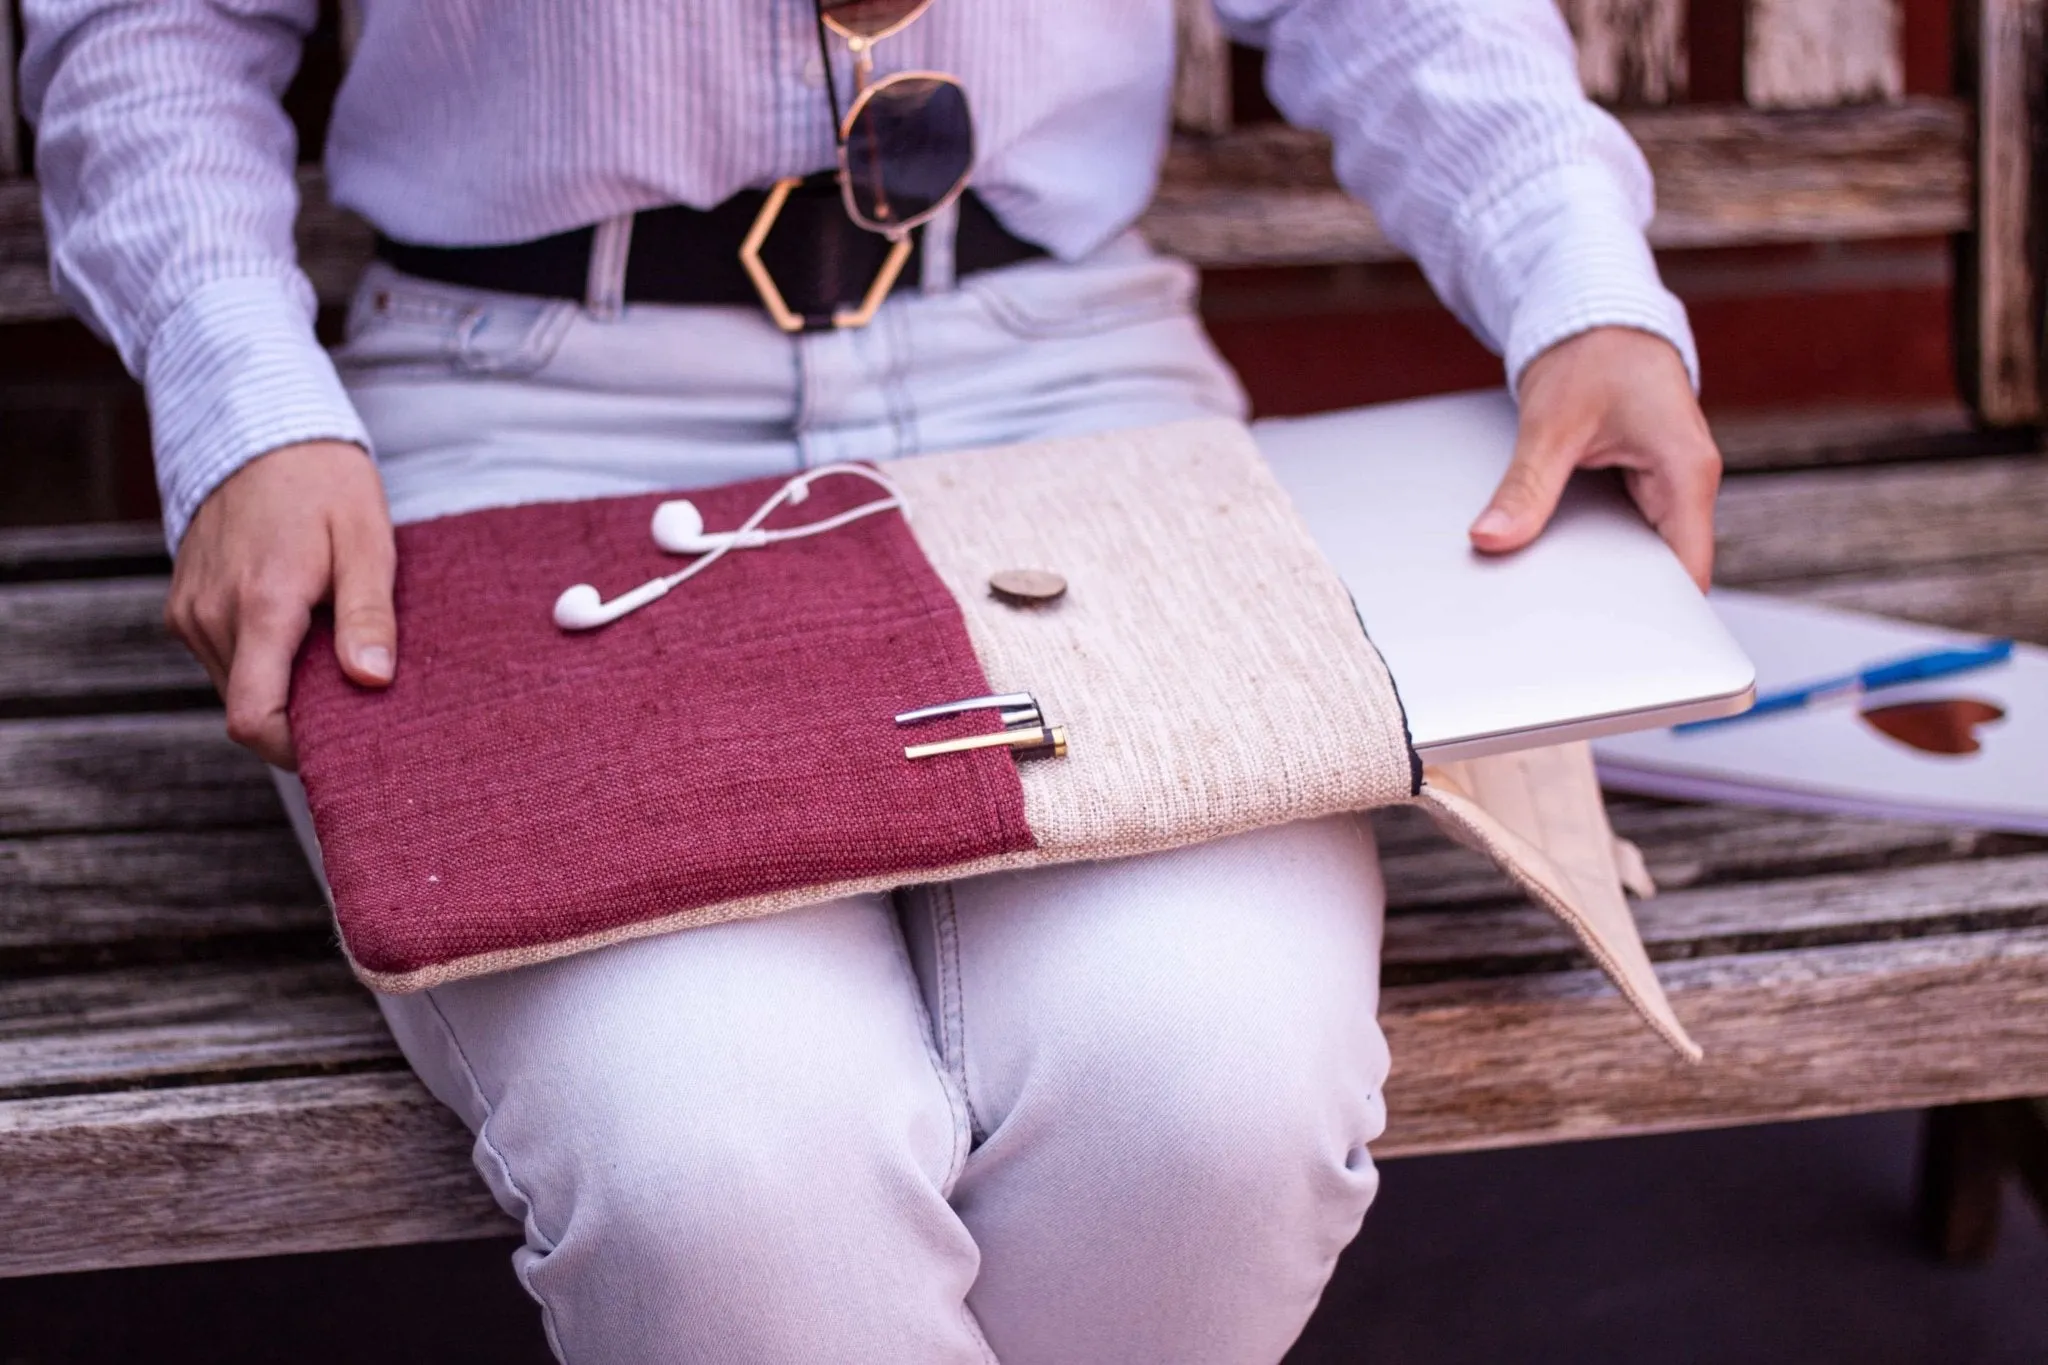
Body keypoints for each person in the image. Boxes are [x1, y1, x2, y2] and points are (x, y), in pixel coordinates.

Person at [21, 2, 1721, 1360]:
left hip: (1070, 382)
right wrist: (244, 397)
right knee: (726, 1172)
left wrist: (1576, 282)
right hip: (518, 412)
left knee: (1217, 1107)